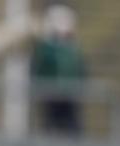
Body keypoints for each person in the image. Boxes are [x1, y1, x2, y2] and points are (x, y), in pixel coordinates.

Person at [30, 4, 88, 135]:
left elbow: (80, 72)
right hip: (51, 99)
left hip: (70, 100)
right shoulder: (46, 49)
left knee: (71, 130)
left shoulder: (72, 49)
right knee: (51, 129)